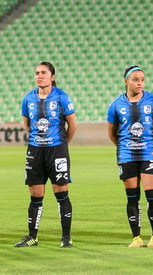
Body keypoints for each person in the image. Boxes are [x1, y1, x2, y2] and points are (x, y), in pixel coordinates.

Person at [15, 61, 77, 248]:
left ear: (52, 76)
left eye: (43, 73)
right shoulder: (28, 99)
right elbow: (27, 125)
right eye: (37, 73)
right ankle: (32, 236)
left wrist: (62, 144)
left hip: (57, 150)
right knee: (35, 195)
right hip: (35, 151)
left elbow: (72, 125)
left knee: (61, 193)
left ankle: (66, 237)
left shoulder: (62, 98)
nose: (39, 76)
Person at [107, 65, 153, 248]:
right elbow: (112, 133)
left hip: (149, 154)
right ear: (126, 81)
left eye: (142, 79)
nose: (139, 83)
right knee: (132, 197)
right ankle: (136, 237)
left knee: (152, 196)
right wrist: (125, 148)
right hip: (127, 156)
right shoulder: (116, 105)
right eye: (135, 79)